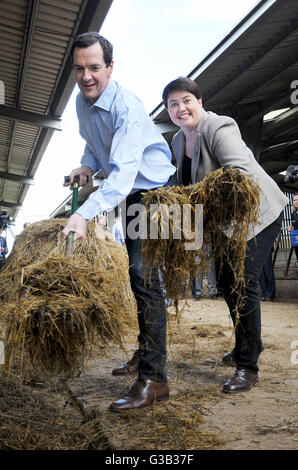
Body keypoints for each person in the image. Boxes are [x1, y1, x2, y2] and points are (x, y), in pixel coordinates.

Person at [60, 32, 177, 411]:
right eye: (80, 69)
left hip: (157, 192)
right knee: (135, 276)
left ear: (110, 67)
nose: (87, 76)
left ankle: (155, 379)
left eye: (95, 67)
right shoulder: (82, 101)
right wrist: (87, 165)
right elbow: (96, 143)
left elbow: (124, 175)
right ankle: (145, 355)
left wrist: (82, 214)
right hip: (131, 194)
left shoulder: (127, 106)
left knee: (145, 276)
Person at [161, 77, 288, 394]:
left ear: (199, 102)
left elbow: (240, 177)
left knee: (242, 282)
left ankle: (248, 366)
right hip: (227, 224)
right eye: (173, 104)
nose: (181, 108)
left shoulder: (218, 127)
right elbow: (187, 187)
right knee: (227, 281)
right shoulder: (179, 140)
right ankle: (246, 346)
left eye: (187, 100)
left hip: (257, 214)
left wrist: (197, 199)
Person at [288, 193, 298, 261]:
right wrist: (291, 228)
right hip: (297, 240)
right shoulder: (293, 214)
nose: (296, 202)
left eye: (297, 200)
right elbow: (294, 226)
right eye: (294, 200)